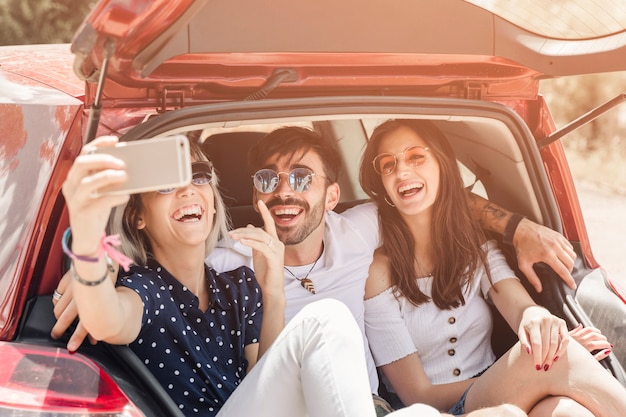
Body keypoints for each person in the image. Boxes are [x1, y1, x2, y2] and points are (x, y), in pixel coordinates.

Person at [54, 125, 586, 393]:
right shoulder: (229, 262)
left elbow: (439, 199)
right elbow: (162, 245)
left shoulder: (362, 229)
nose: (285, 193)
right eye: (269, 180)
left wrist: (519, 227)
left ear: (333, 197)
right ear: (253, 194)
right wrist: (89, 258)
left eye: (302, 179)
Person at [358, 119, 626, 416]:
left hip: (502, 391)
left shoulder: (476, 248)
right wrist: (529, 366)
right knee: (556, 358)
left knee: (569, 412)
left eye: (415, 157)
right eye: (388, 165)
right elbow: (418, 395)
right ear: (382, 183)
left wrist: (541, 328)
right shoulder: (378, 272)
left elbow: (521, 308)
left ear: (442, 164)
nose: (402, 171)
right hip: (432, 410)